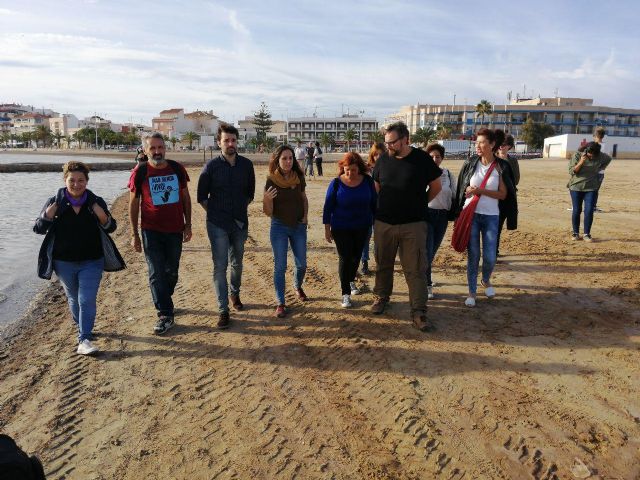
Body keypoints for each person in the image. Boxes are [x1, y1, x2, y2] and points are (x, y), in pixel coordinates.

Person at [34, 161, 125, 355]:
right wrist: (48, 214)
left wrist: (103, 216)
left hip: (92, 260)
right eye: (72, 180)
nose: (77, 184)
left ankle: (84, 338)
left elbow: (111, 228)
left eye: (81, 180)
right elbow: (39, 228)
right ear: (65, 180)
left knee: (86, 299)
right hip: (63, 262)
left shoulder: (95, 202)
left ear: (87, 181)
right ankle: (83, 326)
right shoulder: (55, 202)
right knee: (73, 299)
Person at [371, 122, 442, 332]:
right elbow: (377, 187)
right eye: (386, 143)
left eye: (392, 142)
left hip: (414, 225)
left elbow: (436, 187)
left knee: (416, 269)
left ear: (405, 139)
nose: (389, 146)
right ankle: (381, 298)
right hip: (384, 224)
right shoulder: (383, 159)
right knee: (383, 264)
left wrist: (418, 205)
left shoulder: (422, 160)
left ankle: (419, 312)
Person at [129, 133, 192, 335]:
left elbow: (185, 197)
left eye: (160, 147)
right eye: (152, 148)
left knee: (171, 272)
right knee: (156, 273)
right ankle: (165, 314)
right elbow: (133, 203)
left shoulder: (177, 169)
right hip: (150, 230)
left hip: (175, 229)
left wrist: (188, 224)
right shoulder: (140, 172)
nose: (157, 152)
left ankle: (165, 298)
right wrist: (134, 234)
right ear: (145, 151)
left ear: (165, 148)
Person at [197, 124, 255, 329]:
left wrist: (236, 210)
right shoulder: (211, 167)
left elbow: (250, 194)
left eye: (233, 140)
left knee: (237, 263)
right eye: (226, 140)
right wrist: (216, 214)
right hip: (217, 224)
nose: (230, 144)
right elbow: (202, 197)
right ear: (219, 142)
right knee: (220, 266)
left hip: (239, 223)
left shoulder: (247, 165)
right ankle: (223, 310)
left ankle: (235, 293)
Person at [453, 128, 517, 308]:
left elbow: (504, 195)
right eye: (476, 142)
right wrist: (465, 195)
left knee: (489, 257)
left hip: (491, 216)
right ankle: (471, 292)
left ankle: (486, 280)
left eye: (482, 142)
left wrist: (479, 191)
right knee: (474, 255)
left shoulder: (501, 166)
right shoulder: (471, 163)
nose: (478, 145)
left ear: (492, 145)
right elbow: (462, 186)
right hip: (471, 215)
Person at [323, 152, 377, 308]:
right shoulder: (336, 183)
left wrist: (377, 225)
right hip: (341, 227)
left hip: (362, 227)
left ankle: (351, 280)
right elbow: (328, 208)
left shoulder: (367, 181)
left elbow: (374, 204)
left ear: (359, 168)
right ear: (342, 168)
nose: (350, 173)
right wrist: (327, 229)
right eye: (347, 169)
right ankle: (345, 293)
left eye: (353, 170)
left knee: (356, 257)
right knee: (345, 258)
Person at [263, 145, 309, 318]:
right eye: (284, 158)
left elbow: (304, 199)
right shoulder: (271, 181)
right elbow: (268, 212)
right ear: (277, 160)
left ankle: (297, 286)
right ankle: (280, 302)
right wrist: (267, 199)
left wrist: (305, 216)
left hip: (298, 226)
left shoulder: (298, 177)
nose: (288, 161)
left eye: (291, 158)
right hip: (279, 226)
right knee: (280, 266)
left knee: (302, 264)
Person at [424, 143, 456, 300]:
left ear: (442, 158)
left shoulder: (448, 174)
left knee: (433, 251)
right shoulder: (422, 174)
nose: (434, 159)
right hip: (427, 216)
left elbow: (455, 195)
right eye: (431, 157)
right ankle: (427, 284)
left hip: (443, 217)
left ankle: (423, 276)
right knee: (428, 252)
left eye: (437, 156)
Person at [567, 141, 611, 242]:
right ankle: (576, 233)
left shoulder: (600, 156)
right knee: (577, 210)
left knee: (589, 210)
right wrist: (581, 162)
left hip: (591, 188)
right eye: (590, 155)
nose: (591, 157)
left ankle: (587, 234)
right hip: (576, 187)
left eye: (594, 156)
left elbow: (608, 159)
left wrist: (600, 168)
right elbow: (571, 171)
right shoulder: (577, 155)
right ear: (586, 151)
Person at [360, 142, 386, 275]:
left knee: (380, 236)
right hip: (367, 207)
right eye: (375, 154)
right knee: (366, 235)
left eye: (381, 154)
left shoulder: (389, 168)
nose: (378, 157)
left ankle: (379, 260)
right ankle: (364, 260)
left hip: (382, 207)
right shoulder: (366, 169)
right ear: (372, 155)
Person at [495, 133, 519, 256]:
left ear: (509, 146)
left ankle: (494, 250)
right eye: (499, 144)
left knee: (499, 224)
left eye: (504, 145)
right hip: (493, 196)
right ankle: (494, 250)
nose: (501, 147)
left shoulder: (513, 161)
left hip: (508, 197)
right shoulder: (492, 158)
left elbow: (516, 179)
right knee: (495, 225)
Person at [591, 126, 610, 213]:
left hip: (590, 171)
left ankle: (579, 206)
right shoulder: (605, 146)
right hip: (600, 172)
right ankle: (593, 207)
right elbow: (608, 159)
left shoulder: (593, 145)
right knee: (595, 190)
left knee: (586, 189)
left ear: (595, 135)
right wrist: (602, 168)